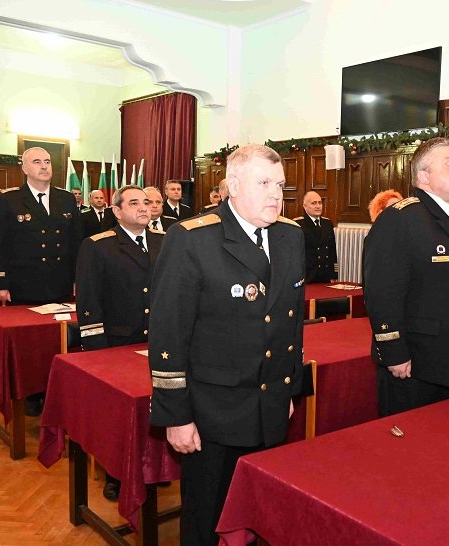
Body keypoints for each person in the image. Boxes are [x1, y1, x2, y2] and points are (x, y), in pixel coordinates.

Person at [149, 144, 305, 546]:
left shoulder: (290, 236)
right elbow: (169, 333)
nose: (276, 194)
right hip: (213, 412)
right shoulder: (193, 239)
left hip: (269, 404)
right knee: (207, 519)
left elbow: (290, 326)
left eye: (280, 185)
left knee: (257, 515)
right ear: (233, 186)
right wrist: (175, 415)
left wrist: (287, 390)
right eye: (264, 183)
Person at [363, 137, 449, 416]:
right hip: (418, 362)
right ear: (423, 176)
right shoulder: (400, 218)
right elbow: (382, 292)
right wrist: (393, 351)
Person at [76, 185, 164, 500]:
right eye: (134, 203)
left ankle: (155, 466)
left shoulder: (164, 241)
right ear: (117, 211)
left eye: (147, 202)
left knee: (156, 405)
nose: (143, 208)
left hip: (157, 339)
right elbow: (89, 299)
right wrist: (96, 349)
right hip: (117, 341)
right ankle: (116, 472)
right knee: (118, 415)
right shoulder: (98, 245)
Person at [0, 147, 82, 415]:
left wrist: (78, 279)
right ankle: (30, 391)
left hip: (59, 282)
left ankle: (53, 388)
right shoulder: (9, 200)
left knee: (57, 339)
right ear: (25, 168)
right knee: (28, 344)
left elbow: (76, 243)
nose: (43, 166)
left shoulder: (66, 199)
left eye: (47, 161)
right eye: (37, 162)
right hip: (24, 282)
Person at [294, 191, 338, 283]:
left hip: (325, 276)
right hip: (307, 276)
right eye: (313, 203)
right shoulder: (298, 225)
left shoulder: (327, 224)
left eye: (320, 203)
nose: (318, 206)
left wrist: (334, 274)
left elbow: (332, 251)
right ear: (305, 206)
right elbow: (295, 255)